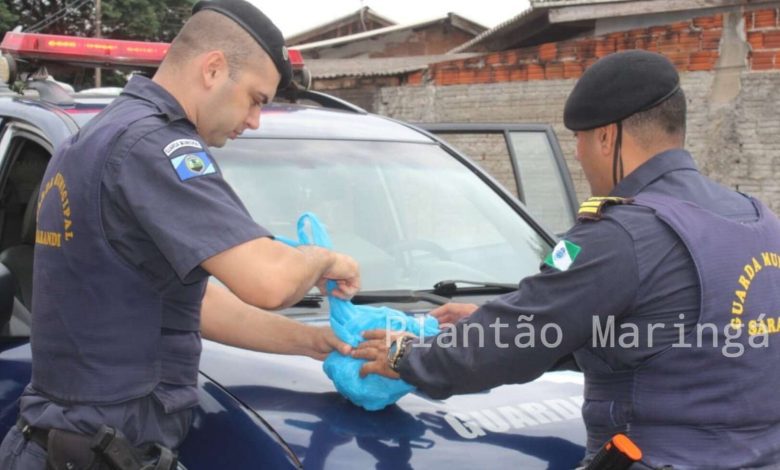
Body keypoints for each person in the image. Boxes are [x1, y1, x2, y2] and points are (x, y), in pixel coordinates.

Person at [353, 50, 780, 469]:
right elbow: (674, 341)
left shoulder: (621, 234)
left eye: (578, 139)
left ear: (607, 137)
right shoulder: (760, 222)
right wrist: (496, 320)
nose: (577, 154)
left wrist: (408, 357)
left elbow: (519, 335)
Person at [0, 1, 361, 468]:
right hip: (94, 451)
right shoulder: (156, 147)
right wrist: (327, 260)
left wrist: (312, 342)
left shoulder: (93, 138)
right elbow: (268, 281)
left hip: (61, 448)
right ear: (213, 68)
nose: (254, 121)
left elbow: (188, 302)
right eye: (256, 99)